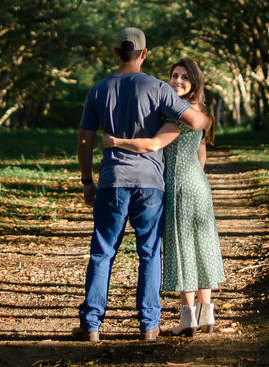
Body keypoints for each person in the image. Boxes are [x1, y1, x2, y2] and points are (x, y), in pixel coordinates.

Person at [74, 27, 209, 343]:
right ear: (144, 54)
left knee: (102, 253)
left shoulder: (98, 90)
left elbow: (84, 140)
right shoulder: (159, 88)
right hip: (150, 185)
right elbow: (195, 121)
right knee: (149, 254)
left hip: (112, 183)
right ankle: (149, 327)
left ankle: (91, 326)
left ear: (115, 53)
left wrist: (87, 182)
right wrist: (191, 119)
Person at [103, 57, 225, 337]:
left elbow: (154, 144)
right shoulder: (199, 113)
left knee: (182, 248)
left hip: (181, 187)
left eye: (184, 77)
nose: (177, 82)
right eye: (174, 76)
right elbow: (201, 152)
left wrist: (115, 141)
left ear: (194, 82)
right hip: (198, 184)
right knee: (200, 245)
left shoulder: (180, 117)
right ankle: (207, 314)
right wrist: (194, 177)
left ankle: (188, 318)